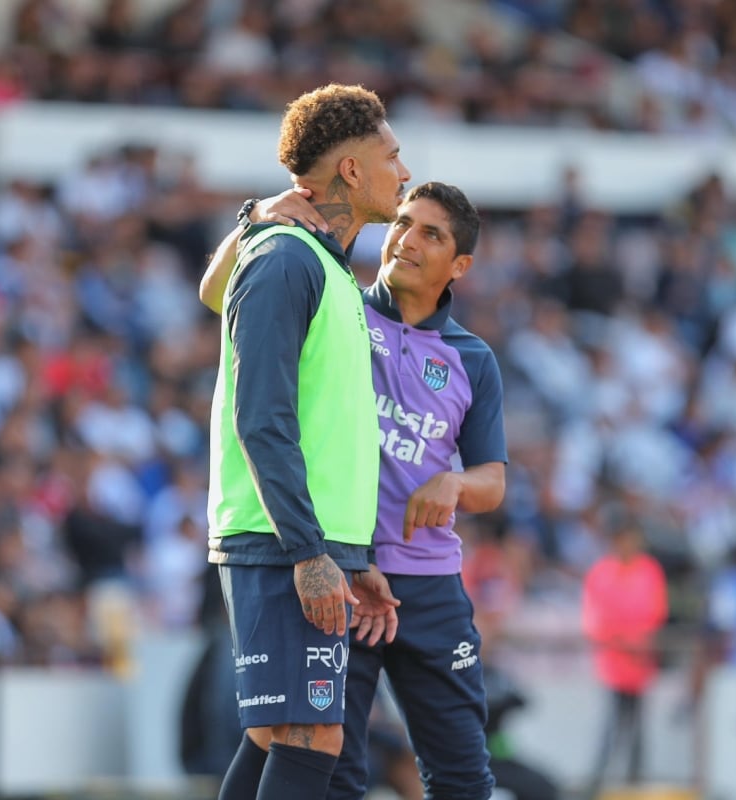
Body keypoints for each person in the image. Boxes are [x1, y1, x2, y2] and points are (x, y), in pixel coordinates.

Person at [201, 180, 508, 799]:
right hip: (340, 575)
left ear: (460, 265)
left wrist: (454, 482)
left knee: (463, 777)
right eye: (402, 223)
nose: (407, 240)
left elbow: (492, 483)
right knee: (331, 771)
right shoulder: (339, 307)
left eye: (431, 234)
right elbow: (215, 292)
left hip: (428, 586)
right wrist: (256, 217)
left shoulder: (472, 358)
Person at [205, 83, 411, 800]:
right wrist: (307, 551)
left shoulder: (321, 264)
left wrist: (353, 556)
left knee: (278, 734)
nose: (404, 172)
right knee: (309, 734)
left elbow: (211, 293)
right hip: (280, 539)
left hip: (313, 540)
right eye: (391, 156)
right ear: (350, 170)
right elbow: (261, 418)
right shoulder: (286, 259)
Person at [581, 517, 668, 797]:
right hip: (614, 659)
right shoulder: (601, 572)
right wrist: (621, 641)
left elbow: (656, 611)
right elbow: (594, 619)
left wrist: (640, 641)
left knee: (638, 724)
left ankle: (635, 779)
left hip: (640, 659)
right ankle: (598, 780)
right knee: (613, 722)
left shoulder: (649, 570)